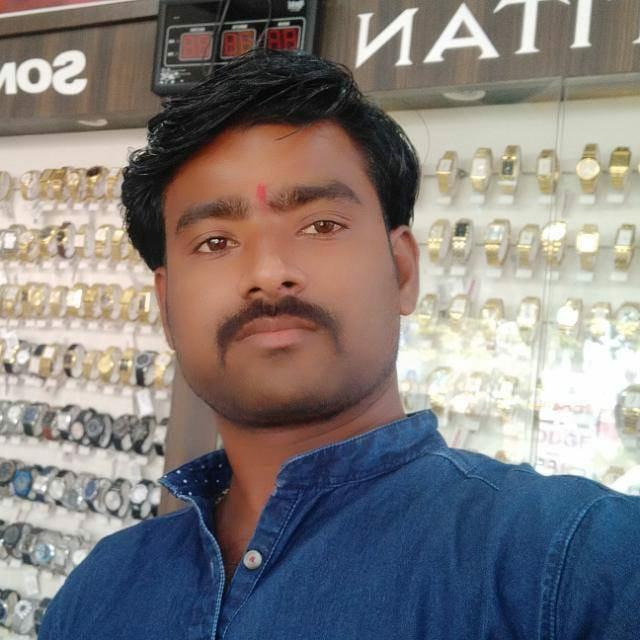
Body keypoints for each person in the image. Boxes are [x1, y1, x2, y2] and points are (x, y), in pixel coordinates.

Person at [39, 49, 640, 640]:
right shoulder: (101, 591)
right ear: (166, 305)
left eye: (321, 225)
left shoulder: (574, 566)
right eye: (215, 242)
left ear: (402, 270)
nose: (268, 273)